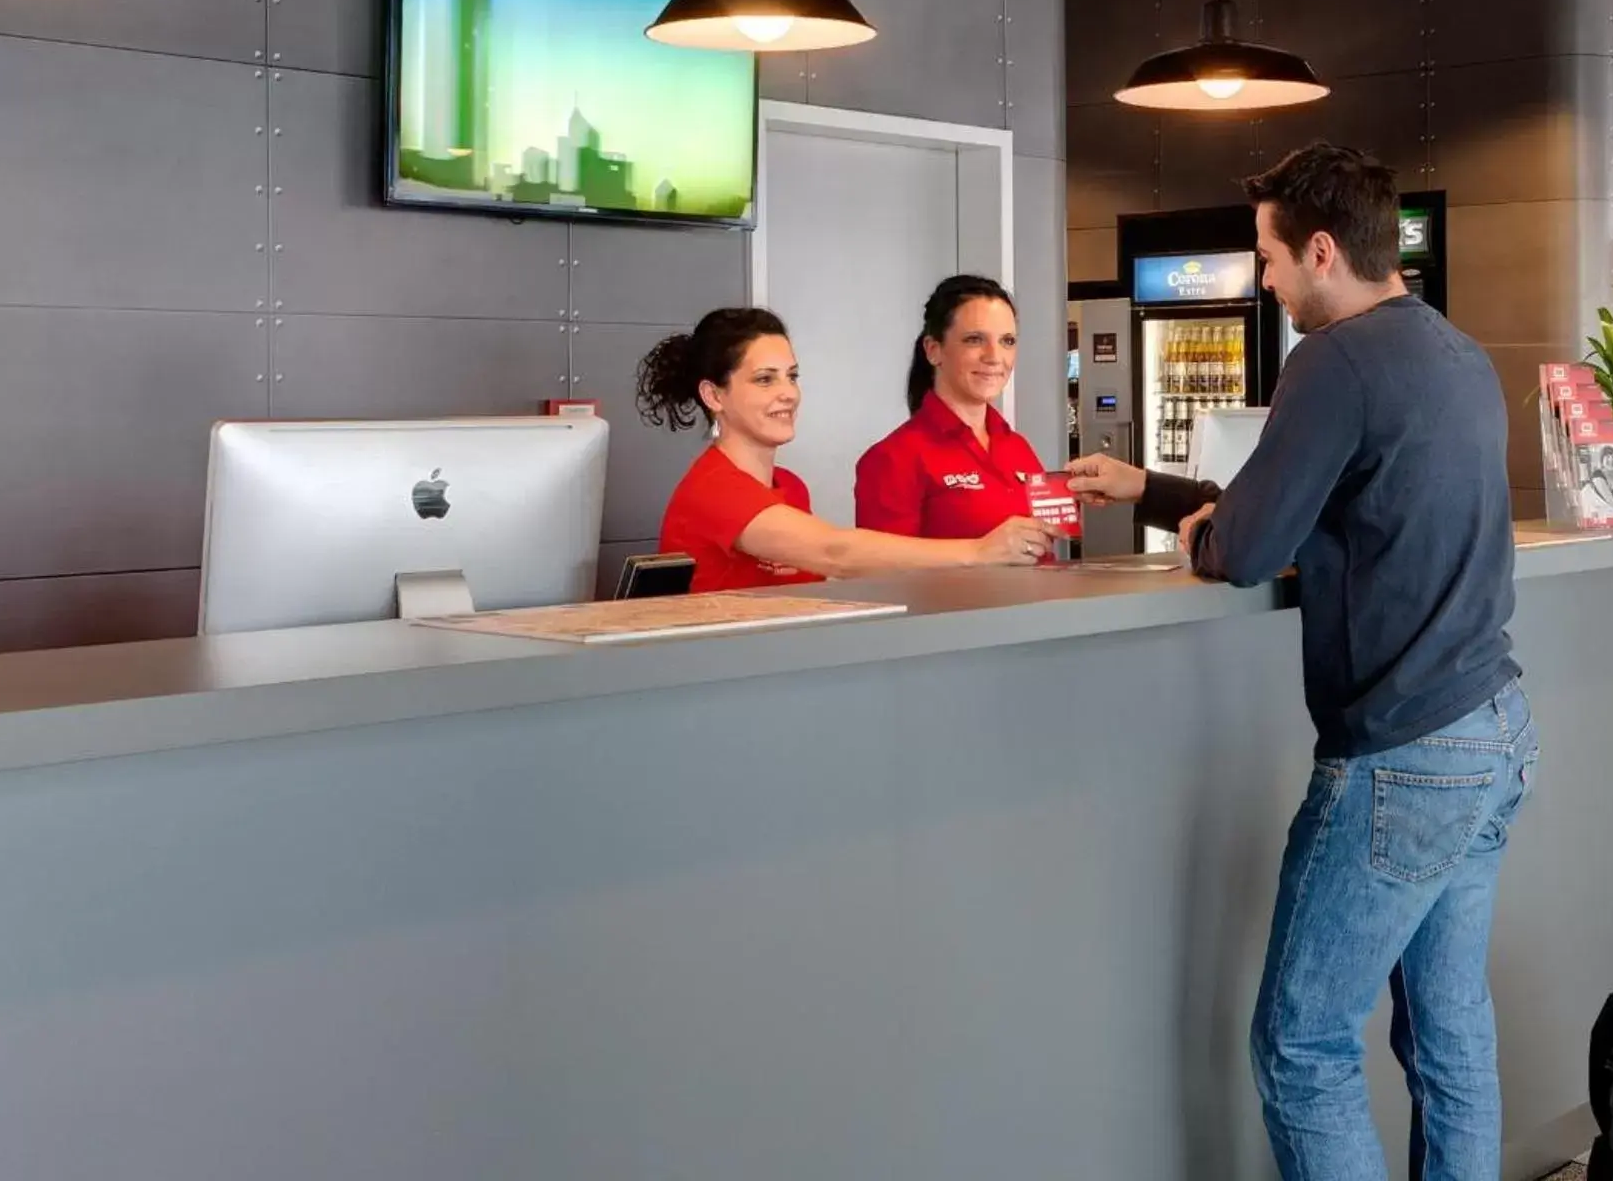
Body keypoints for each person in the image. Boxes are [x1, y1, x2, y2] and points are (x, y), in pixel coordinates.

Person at [1069, 143, 1533, 1181]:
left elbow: (1242, 544)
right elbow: (1314, 507)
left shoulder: (1337, 359)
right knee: (1449, 1034)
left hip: (1402, 754)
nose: (1266, 282)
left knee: (1303, 1046)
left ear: (1322, 250)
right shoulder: (1454, 351)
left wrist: (1200, 537)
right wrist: (1150, 489)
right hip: (1493, 729)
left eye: (1270, 260)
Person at [638, 306, 1055, 593]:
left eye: (792, 376)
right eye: (765, 380)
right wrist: (978, 552)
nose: (788, 394)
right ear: (714, 395)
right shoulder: (715, 489)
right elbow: (835, 552)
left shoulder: (791, 488)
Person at [855, 275, 1052, 540]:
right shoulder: (893, 459)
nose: (994, 357)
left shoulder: (1017, 447)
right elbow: (880, 570)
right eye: (974, 339)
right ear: (933, 350)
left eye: (1007, 341)